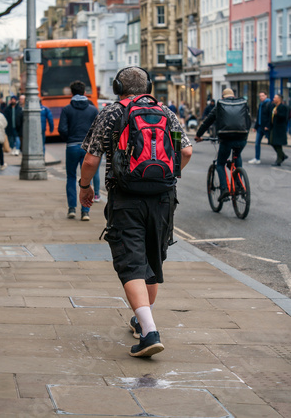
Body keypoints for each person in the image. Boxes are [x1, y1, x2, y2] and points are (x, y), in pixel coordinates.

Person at [78, 66, 192, 357]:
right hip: (163, 197)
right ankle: (143, 321)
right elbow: (186, 152)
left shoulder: (111, 112)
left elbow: (91, 158)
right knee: (152, 260)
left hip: (126, 196)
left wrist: (85, 187)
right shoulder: (165, 111)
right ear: (149, 86)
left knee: (131, 262)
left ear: (117, 87)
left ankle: (149, 332)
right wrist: (166, 178)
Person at [195, 88, 251, 202]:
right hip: (242, 138)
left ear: (222, 96)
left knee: (220, 163)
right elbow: (248, 121)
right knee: (237, 155)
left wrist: (198, 135)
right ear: (233, 96)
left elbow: (208, 121)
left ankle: (224, 189)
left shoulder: (220, 106)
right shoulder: (241, 105)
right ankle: (239, 183)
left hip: (226, 139)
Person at [58, 80, 98, 221]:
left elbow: (62, 129)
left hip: (72, 147)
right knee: (86, 179)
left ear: (71, 93)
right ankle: (85, 211)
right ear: (84, 92)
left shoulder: (67, 109)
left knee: (70, 177)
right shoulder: (93, 110)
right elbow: (98, 130)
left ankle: (72, 209)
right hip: (88, 148)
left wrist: (69, 138)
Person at [248, 91, 271, 165]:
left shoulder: (269, 104)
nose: (261, 97)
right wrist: (255, 126)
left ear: (266, 96)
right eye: (260, 96)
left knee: (273, 142)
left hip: (266, 127)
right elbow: (259, 116)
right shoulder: (261, 104)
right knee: (257, 143)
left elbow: (270, 116)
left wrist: (268, 125)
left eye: (262, 96)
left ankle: (281, 155)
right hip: (260, 127)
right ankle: (257, 158)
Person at [270, 94, 289, 166]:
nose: (273, 99)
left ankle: (279, 159)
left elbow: (284, 117)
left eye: (275, 97)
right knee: (272, 142)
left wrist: (277, 114)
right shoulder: (274, 107)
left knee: (277, 144)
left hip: (280, 129)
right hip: (274, 128)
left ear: (279, 99)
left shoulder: (283, 107)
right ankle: (282, 155)